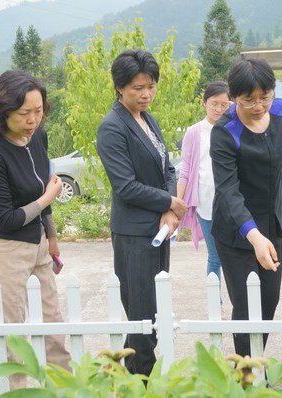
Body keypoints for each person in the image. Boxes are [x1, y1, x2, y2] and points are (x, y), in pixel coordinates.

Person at [0, 70, 71, 389]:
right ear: (3, 112)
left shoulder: (38, 138)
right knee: (12, 330)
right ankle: (18, 391)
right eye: (24, 114)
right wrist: (47, 198)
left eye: (39, 111)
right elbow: (6, 218)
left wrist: (53, 237)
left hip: (40, 242)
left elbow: (43, 189)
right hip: (6, 247)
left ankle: (63, 388)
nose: (33, 120)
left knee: (53, 321)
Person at [96, 49, 186, 377]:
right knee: (142, 316)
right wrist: (169, 203)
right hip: (134, 235)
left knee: (153, 314)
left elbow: (168, 167)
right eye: (137, 88)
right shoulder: (112, 127)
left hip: (159, 228)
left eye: (151, 86)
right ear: (119, 88)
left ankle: (120, 377)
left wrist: (169, 208)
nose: (146, 94)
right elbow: (126, 186)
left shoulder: (149, 119)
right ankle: (140, 380)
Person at [210, 58, 282, 357]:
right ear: (233, 97)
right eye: (249, 100)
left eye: (264, 97)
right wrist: (253, 234)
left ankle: (253, 364)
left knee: (269, 301)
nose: (259, 106)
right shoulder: (224, 131)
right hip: (236, 231)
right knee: (246, 305)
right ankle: (245, 374)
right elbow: (228, 190)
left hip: (271, 224)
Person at [177, 81, 231, 299]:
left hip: (232, 204)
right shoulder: (194, 132)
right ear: (204, 103)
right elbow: (186, 171)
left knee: (236, 256)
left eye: (224, 104)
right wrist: (178, 203)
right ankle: (215, 305)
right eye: (214, 104)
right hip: (206, 205)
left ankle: (241, 304)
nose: (219, 109)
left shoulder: (234, 127)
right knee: (215, 257)